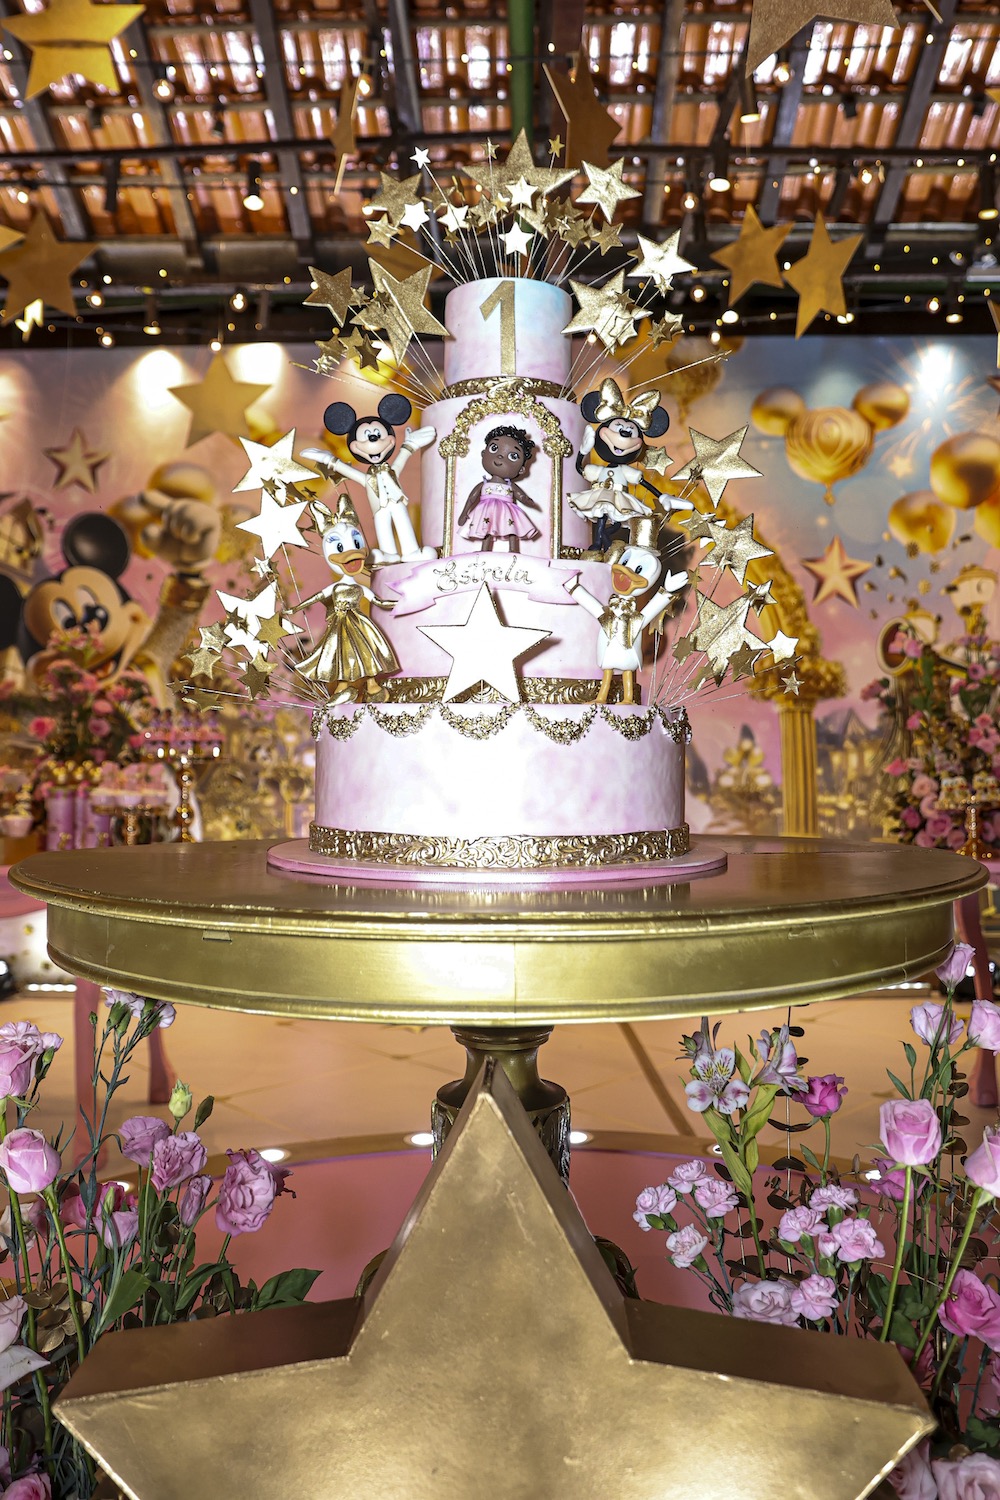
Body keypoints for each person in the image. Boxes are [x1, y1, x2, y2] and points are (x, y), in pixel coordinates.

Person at [457, 426, 541, 553]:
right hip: (487, 511)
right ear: (483, 454)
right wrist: (464, 513)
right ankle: (485, 549)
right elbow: (471, 498)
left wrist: (527, 501)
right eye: (494, 448)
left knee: (512, 527)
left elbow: (520, 496)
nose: (500, 456)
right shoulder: (484, 484)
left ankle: (513, 549)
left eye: (513, 456)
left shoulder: (510, 486)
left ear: (521, 469)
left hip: (507, 511)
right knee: (487, 528)